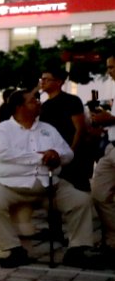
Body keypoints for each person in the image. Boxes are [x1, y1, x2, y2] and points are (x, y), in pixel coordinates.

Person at [0, 89, 101, 269]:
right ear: (19, 107)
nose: (38, 103)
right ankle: (14, 249)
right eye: (33, 101)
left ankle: (76, 250)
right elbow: (4, 154)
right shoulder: (3, 130)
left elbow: (68, 153)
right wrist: (41, 157)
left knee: (81, 200)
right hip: (11, 185)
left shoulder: (48, 129)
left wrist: (56, 155)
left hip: (49, 186)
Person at [39, 63, 90, 191]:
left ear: (59, 82)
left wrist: (72, 151)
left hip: (73, 153)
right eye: (41, 79)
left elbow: (80, 128)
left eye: (46, 79)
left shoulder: (71, 101)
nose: (42, 82)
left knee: (79, 191)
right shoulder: (43, 106)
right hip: (54, 156)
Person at [89, 54, 115, 265]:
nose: (110, 71)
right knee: (99, 193)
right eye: (108, 67)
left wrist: (110, 118)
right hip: (111, 148)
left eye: (113, 67)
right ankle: (112, 241)